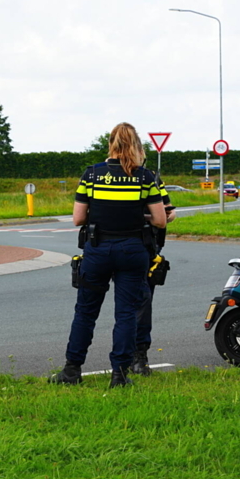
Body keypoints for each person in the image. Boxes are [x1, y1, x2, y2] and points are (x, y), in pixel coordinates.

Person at [49, 122, 167, 387]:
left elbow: (78, 219)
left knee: (86, 312)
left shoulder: (92, 174)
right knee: (126, 313)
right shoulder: (145, 176)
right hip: (133, 250)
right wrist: (140, 214)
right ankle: (120, 375)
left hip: (98, 249)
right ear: (136, 144)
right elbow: (160, 220)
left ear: (110, 143)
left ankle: (71, 371)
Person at [133, 172, 177, 375]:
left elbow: (168, 211)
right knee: (140, 301)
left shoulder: (153, 178)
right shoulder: (104, 175)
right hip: (134, 245)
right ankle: (135, 357)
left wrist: (167, 214)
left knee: (142, 301)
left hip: (150, 245)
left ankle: (136, 356)